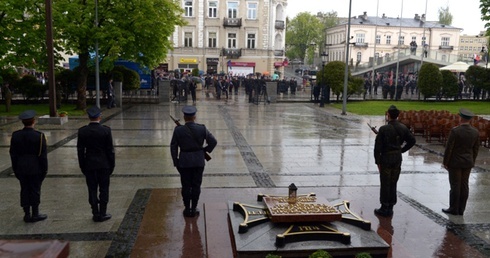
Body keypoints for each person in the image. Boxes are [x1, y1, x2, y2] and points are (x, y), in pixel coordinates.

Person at [170, 106, 217, 217]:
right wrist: (204, 150)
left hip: (184, 162)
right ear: (194, 117)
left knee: (185, 185)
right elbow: (213, 142)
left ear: (184, 117)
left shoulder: (178, 130)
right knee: (196, 185)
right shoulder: (202, 128)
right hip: (198, 161)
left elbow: (173, 147)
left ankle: (187, 209)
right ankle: (194, 208)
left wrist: (175, 161)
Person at [374, 105, 416, 217]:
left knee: (385, 182)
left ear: (388, 115)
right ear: (398, 115)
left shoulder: (383, 129)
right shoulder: (403, 127)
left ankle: (384, 207)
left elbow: (377, 148)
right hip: (397, 158)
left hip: (386, 158)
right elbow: (412, 140)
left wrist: (377, 162)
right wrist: (401, 150)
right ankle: (391, 206)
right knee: (393, 182)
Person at [77, 106, 115, 222]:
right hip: (104, 164)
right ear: (100, 116)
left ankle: (95, 212)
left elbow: (80, 151)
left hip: (89, 164)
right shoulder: (106, 130)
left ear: (89, 117)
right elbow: (110, 150)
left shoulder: (82, 131)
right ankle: (103, 212)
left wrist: (82, 165)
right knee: (104, 189)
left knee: (92, 189)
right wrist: (112, 165)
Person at [9, 110, 48, 223]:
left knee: (24, 189)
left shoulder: (16, 135)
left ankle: (26, 214)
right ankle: (35, 213)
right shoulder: (39, 136)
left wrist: (15, 168)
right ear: (33, 121)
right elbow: (42, 155)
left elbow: (13, 154)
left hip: (21, 167)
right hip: (35, 168)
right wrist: (44, 169)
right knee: (35, 189)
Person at [442, 108, 480, 216]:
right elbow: (476, 149)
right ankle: (461, 209)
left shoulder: (455, 131)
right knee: (464, 185)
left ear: (461, 118)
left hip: (455, 162)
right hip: (468, 162)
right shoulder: (475, 132)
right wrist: (472, 160)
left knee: (455, 185)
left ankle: (453, 208)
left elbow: (449, 148)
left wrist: (445, 162)